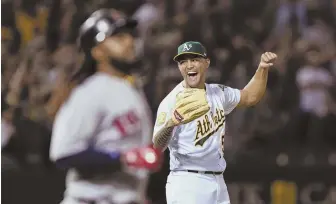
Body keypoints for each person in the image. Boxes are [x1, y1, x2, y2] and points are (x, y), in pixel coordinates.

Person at [49, 9, 162, 204]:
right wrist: (120, 159)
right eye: (117, 37)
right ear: (97, 51)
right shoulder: (89, 92)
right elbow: (64, 154)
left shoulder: (132, 89)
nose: (129, 42)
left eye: (129, 35)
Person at [152, 41, 277, 204]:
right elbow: (157, 147)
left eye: (194, 60)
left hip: (217, 180)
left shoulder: (218, 92)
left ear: (206, 62)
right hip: (188, 182)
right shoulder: (171, 101)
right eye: (183, 61)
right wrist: (171, 124)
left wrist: (262, 68)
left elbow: (250, 96)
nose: (189, 65)